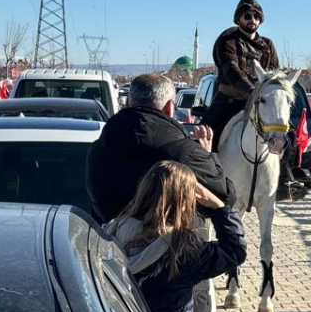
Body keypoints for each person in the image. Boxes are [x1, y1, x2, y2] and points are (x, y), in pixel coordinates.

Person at [107, 161, 247, 312]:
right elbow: (235, 251)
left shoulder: (112, 233)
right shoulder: (183, 248)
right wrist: (218, 207)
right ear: (184, 201)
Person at [87, 73, 236, 225]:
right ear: (169, 107)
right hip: (168, 245)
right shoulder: (186, 153)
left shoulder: (98, 149)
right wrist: (208, 156)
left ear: (127, 103)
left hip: (109, 242)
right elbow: (226, 197)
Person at [201, 0, 311, 200]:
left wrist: (271, 91)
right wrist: (253, 91)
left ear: (260, 20)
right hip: (232, 99)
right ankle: (202, 179)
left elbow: (275, 72)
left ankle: (287, 180)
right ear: (239, 18)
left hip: (263, 100)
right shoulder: (227, 40)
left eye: (256, 16)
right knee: (205, 130)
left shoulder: (267, 45)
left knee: (290, 134)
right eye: (247, 16)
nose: (252, 20)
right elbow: (232, 70)